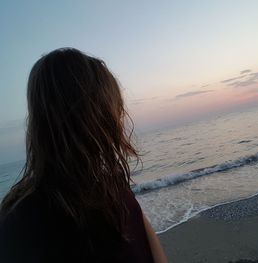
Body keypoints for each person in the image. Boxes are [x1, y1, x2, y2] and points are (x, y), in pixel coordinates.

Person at [0, 48, 168, 263]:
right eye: (115, 108)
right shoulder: (116, 197)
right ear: (99, 115)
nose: (120, 117)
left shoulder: (17, 218)